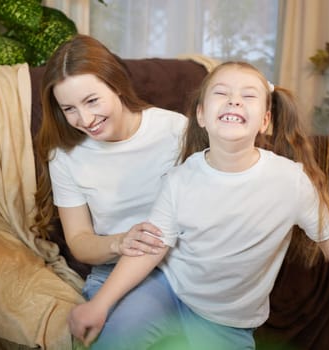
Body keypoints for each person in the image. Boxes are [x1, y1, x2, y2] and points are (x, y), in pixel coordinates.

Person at [68, 61, 329, 349]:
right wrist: (100, 304)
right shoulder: (180, 179)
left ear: (265, 121)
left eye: (248, 95)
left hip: (228, 320)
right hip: (168, 290)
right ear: (201, 115)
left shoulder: (291, 181)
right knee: (113, 339)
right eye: (222, 93)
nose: (234, 101)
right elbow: (151, 247)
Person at [32, 34, 190, 348]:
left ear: (115, 84)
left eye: (92, 100)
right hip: (112, 269)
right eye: (69, 108)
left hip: (180, 267)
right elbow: (79, 241)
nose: (85, 119)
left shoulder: (176, 131)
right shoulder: (64, 155)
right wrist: (119, 242)